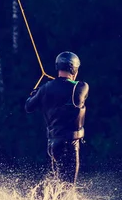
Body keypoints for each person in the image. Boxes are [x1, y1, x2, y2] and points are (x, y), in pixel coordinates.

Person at [25, 52, 89, 183]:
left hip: (53, 143)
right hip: (70, 144)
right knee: (68, 186)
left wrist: (34, 93)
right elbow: (77, 95)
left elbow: (28, 107)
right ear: (74, 69)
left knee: (58, 182)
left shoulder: (45, 89)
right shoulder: (80, 87)